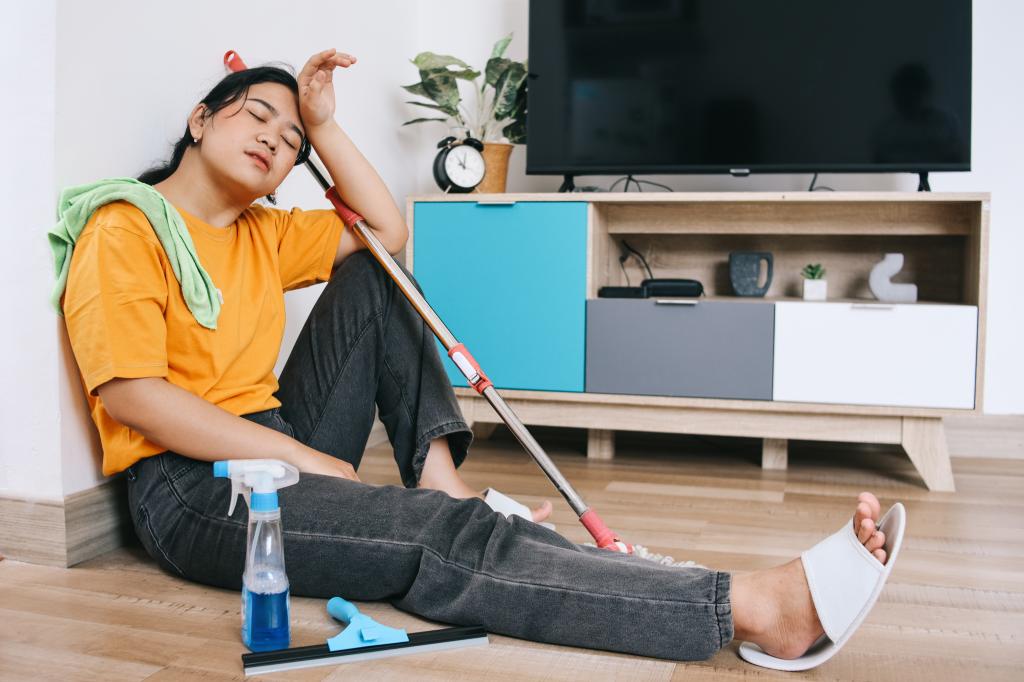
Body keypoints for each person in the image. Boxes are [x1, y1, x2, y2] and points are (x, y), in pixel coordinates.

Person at [60, 48, 898, 664]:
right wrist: (301, 455)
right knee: (436, 539)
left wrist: (326, 125)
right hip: (193, 492)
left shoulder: (262, 233)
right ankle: (748, 608)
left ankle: (441, 478)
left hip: (270, 440)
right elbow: (132, 394)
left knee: (383, 275)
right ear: (201, 119)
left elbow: (386, 232)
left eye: (290, 138)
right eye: (257, 116)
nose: (276, 139)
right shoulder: (124, 227)